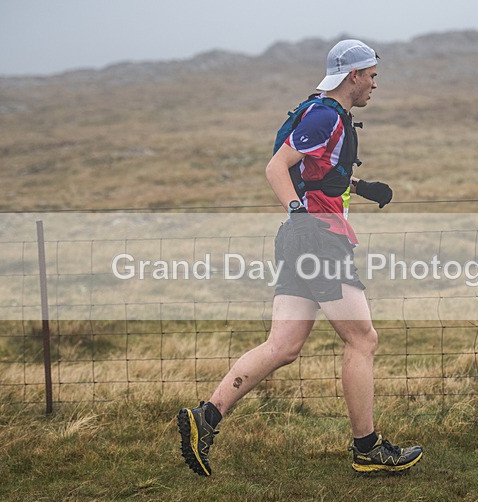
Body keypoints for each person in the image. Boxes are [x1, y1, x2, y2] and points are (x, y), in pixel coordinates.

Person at [177, 39, 423, 476]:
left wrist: (359, 186)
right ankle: (367, 448)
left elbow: (314, 171)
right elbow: (277, 167)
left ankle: (206, 417)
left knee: (283, 346)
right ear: (353, 76)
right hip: (318, 240)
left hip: (302, 240)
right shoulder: (326, 116)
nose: (374, 84)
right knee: (362, 340)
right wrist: (300, 214)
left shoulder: (326, 114)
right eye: (371, 76)